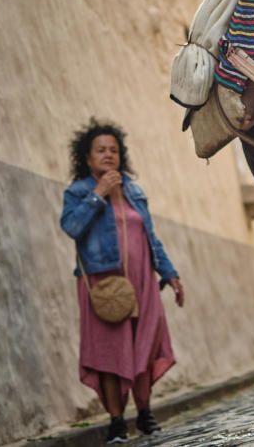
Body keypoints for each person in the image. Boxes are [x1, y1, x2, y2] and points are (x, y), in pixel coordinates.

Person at [60, 119, 185, 443]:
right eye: (100, 150)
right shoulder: (77, 192)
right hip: (104, 285)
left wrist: (169, 273)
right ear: (87, 158)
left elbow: (150, 237)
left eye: (113, 150)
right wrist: (98, 194)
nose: (108, 155)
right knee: (109, 353)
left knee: (145, 346)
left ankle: (144, 413)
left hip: (142, 280)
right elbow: (72, 228)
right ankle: (117, 421)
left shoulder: (134, 191)